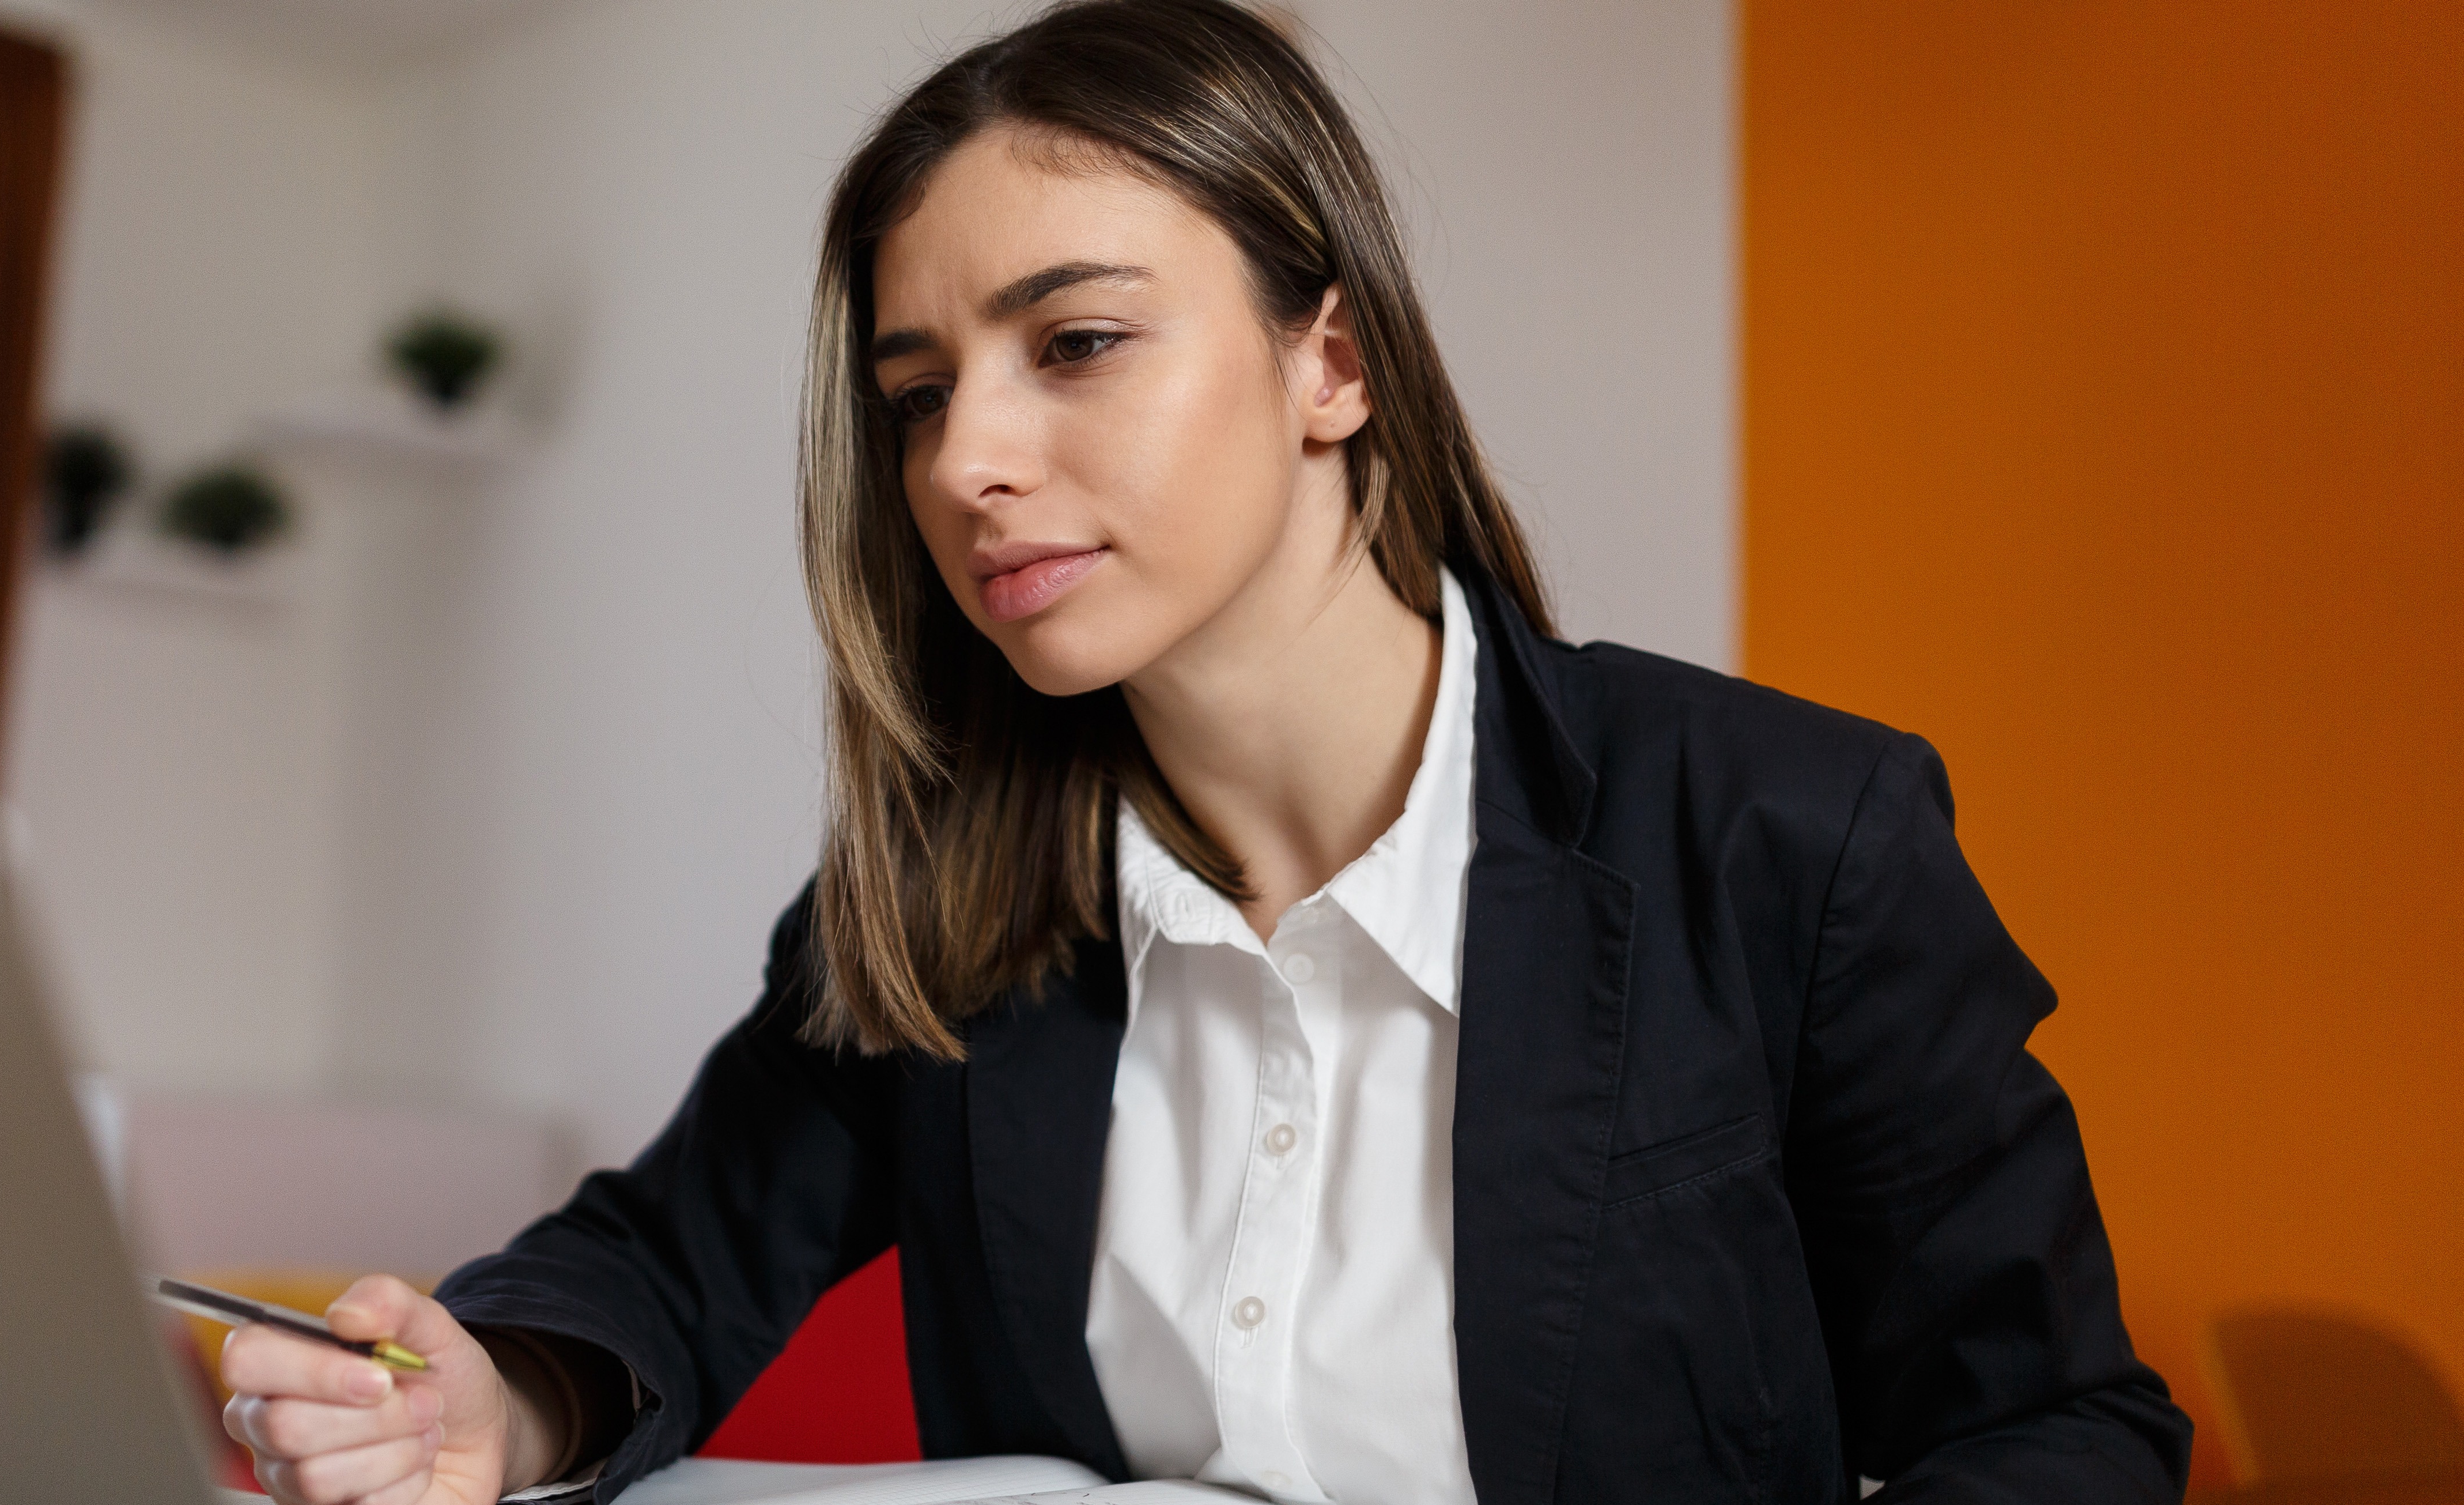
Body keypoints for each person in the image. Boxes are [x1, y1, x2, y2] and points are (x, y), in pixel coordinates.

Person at [213, 3, 2191, 1502]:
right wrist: (505, 1395)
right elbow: (663, 1260)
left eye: (1073, 342)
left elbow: (2057, 1427)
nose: (966, 460)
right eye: (917, 394)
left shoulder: (1780, 832)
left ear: (1330, 360)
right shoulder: (937, 905)